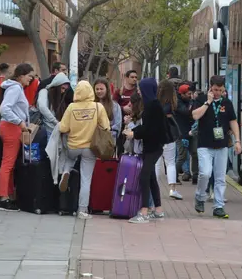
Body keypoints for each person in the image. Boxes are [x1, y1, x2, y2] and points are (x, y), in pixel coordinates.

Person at [58, 80, 111, 219]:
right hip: (89, 148)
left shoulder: (71, 107)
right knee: (86, 179)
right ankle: (82, 210)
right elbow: (106, 127)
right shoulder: (98, 107)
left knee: (69, 159)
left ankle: (66, 171)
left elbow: (63, 128)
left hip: (73, 146)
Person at [192, 75, 242, 219]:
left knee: (220, 177)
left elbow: (233, 122)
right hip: (204, 145)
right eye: (215, 90)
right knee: (205, 173)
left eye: (220, 90)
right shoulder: (201, 100)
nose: (217, 93)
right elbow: (195, 115)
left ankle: (218, 206)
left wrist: (237, 141)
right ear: (210, 88)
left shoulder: (227, 103)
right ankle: (200, 197)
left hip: (222, 145)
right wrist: (208, 102)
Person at [123, 78, 168, 223]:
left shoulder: (152, 106)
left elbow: (149, 129)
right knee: (151, 177)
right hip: (153, 146)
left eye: (140, 89)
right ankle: (158, 209)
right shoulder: (153, 105)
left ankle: (144, 211)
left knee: (144, 175)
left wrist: (133, 133)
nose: (138, 91)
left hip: (153, 147)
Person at [0, 63, 35, 212]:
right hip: (12, 127)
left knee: (8, 163)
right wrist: (20, 122)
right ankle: (3, 198)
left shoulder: (12, 87)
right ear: (20, 76)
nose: (30, 80)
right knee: (8, 164)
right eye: (29, 76)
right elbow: (4, 108)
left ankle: (6, 195)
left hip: (9, 126)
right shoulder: (15, 89)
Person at [155, 79, 182, 200]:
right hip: (169, 135)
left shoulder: (154, 102)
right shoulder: (172, 104)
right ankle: (173, 189)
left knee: (156, 162)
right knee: (170, 162)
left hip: (156, 134)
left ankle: (154, 188)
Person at [174, 83, 196, 183]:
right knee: (182, 156)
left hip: (191, 132)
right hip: (181, 133)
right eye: (188, 94)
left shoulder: (188, 101)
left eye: (191, 94)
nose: (190, 96)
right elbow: (186, 112)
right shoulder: (177, 102)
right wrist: (192, 101)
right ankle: (173, 176)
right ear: (182, 94)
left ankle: (195, 175)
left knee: (195, 153)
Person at [94, 78, 122, 150]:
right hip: (92, 143)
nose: (99, 91)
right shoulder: (91, 105)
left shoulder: (115, 106)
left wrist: (106, 134)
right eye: (97, 89)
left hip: (108, 144)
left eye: (101, 89)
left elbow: (117, 125)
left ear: (107, 89)